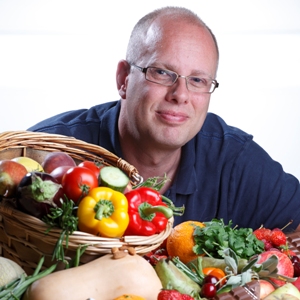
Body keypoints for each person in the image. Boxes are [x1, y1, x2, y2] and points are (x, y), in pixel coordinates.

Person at [28, 6, 300, 232]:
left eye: (197, 80)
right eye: (161, 72)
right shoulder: (50, 153)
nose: (180, 95)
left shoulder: (233, 160)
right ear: (124, 79)